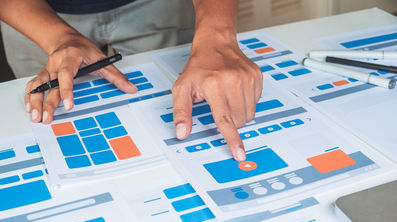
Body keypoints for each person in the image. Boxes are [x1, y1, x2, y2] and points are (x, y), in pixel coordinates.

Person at [0, 0, 262, 161]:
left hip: (158, 6)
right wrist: (58, 40)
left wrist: (218, 34)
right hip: (31, 14)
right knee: (47, 117)